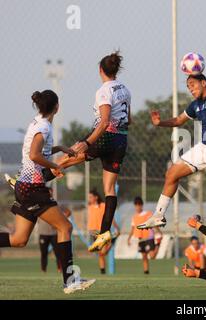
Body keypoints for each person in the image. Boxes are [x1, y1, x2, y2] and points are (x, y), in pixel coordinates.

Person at [137, 73, 206, 259]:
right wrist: (159, 123)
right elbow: (179, 120)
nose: (190, 88)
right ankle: (158, 214)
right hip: (204, 147)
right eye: (188, 86)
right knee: (172, 173)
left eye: (193, 84)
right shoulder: (195, 105)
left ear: (203, 82)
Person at [0, 90, 95, 294]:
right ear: (57, 107)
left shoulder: (37, 123)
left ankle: (70, 280)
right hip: (33, 189)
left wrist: (60, 147)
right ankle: (70, 281)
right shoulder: (44, 127)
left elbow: (36, 151)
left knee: (18, 240)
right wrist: (56, 166)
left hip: (24, 187)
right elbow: (35, 155)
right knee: (65, 227)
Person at [39, 51, 131, 253]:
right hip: (121, 139)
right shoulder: (125, 89)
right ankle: (105, 232)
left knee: (67, 158)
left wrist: (88, 142)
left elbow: (105, 121)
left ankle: (33, 180)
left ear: (100, 70)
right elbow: (128, 119)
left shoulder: (103, 91)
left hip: (105, 136)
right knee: (109, 189)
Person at [87, 189, 120, 274]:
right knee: (100, 254)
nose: (89, 199)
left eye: (91, 197)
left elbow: (109, 217)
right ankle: (103, 272)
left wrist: (116, 227)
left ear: (96, 197)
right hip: (93, 233)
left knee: (103, 252)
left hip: (101, 232)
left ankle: (112, 241)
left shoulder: (103, 206)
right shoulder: (89, 207)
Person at [37, 193, 71, 273]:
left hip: (54, 233)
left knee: (58, 253)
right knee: (44, 253)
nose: (49, 194)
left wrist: (60, 220)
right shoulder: (39, 203)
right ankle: (43, 270)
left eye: (50, 192)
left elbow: (68, 212)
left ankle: (60, 269)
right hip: (43, 232)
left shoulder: (55, 204)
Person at [127, 196, 160, 274]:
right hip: (140, 239)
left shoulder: (148, 214)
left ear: (141, 205)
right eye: (136, 205)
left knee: (152, 256)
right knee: (144, 257)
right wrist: (128, 238)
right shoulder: (134, 217)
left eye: (139, 205)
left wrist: (158, 231)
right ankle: (146, 273)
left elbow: (153, 223)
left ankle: (158, 244)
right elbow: (132, 228)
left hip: (149, 237)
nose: (137, 207)